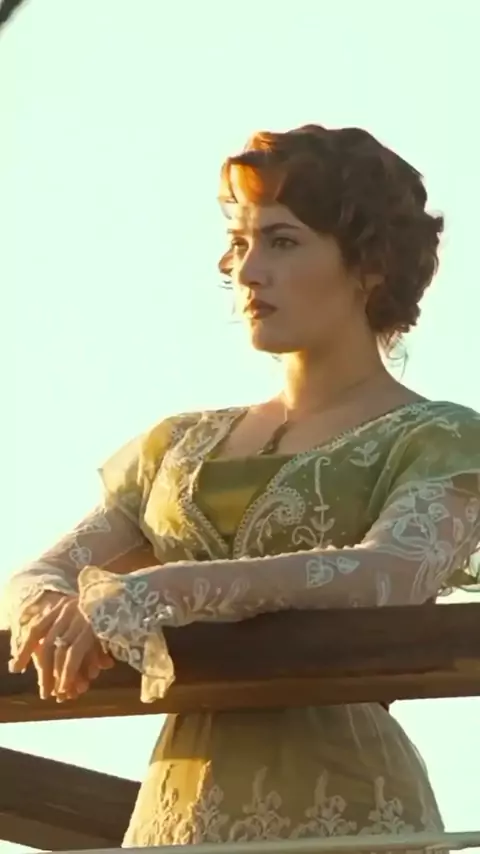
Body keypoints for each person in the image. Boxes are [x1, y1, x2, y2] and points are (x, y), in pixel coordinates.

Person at [3, 123, 480, 847]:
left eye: (282, 242)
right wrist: (55, 612)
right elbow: (38, 576)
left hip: (345, 807)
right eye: (241, 242)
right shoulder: (178, 445)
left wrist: (168, 588)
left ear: (370, 265)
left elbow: (390, 574)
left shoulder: (438, 436)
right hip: (176, 813)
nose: (248, 271)